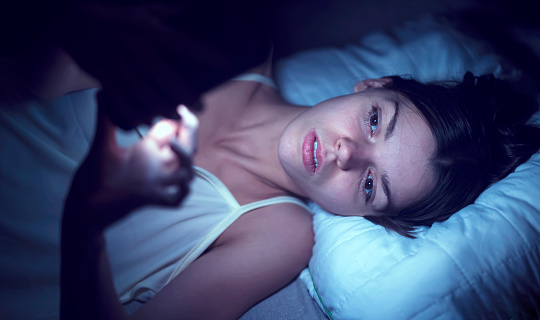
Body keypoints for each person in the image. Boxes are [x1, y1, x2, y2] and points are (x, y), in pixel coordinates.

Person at [11, 2, 536, 320]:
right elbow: (42, 80)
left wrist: (87, 221)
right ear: (374, 85)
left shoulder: (277, 235)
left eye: (372, 185)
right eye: (376, 121)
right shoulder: (231, 42)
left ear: (368, 216)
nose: (346, 154)